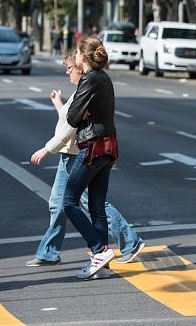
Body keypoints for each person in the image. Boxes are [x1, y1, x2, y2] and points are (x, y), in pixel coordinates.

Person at [26, 51, 144, 270]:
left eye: (70, 68)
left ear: (81, 67)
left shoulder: (88, 86)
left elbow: (71, 125)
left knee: (86, 204)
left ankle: (121, 244)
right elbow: (70, 118)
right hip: (71, 154)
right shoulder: (84, 89)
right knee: (60, 204)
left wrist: (46, 148)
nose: (67, 72)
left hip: (78, 154)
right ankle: (49, 252)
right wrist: (58, 103)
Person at [61, 37, 119, 279]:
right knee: (97, 207)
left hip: (92, 146)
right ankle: (102, 265)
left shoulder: (90, 78)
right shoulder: (103, 77)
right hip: (108, 146)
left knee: (69, 202)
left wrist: (82, 113)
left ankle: (98, 249)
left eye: (76, 52)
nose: (73, 56)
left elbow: (72, 117)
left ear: (82, 57)